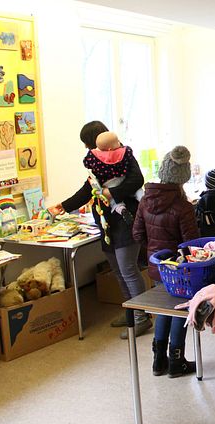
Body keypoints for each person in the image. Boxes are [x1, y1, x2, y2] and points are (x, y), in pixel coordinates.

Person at [49, 121, 151, 339]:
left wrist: (112, 194)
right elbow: (89, 188)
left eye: (88, 144)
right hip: (106, 224)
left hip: (125, 220)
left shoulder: (123, 155)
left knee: (128, 269)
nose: (88, 149)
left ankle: (142, 317)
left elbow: (137, 179)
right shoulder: (97, 160)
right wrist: (64, 206)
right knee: (117, 271)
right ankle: (131, 312)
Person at [133, 145, 200, 378]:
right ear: (183, 178)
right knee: (179, 310)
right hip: (178, 268)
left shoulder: (145, 200)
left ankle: (158, 360)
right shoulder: (183, 206)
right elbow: (191, 243)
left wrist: (154, 252)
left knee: (162, 309)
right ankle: (176, 360)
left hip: (156, 266)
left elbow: (138, 235)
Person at [91, 131, 144, 225]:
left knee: (115, 202)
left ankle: (121, 209)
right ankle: (144, 203)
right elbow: (137, 179)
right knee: (139, 191)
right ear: (110, 147)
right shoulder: (124, 152)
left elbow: (93, 176)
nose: (120, 143)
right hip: (125, 180)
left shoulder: (96, 159)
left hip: (110, 184)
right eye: (118, 141)